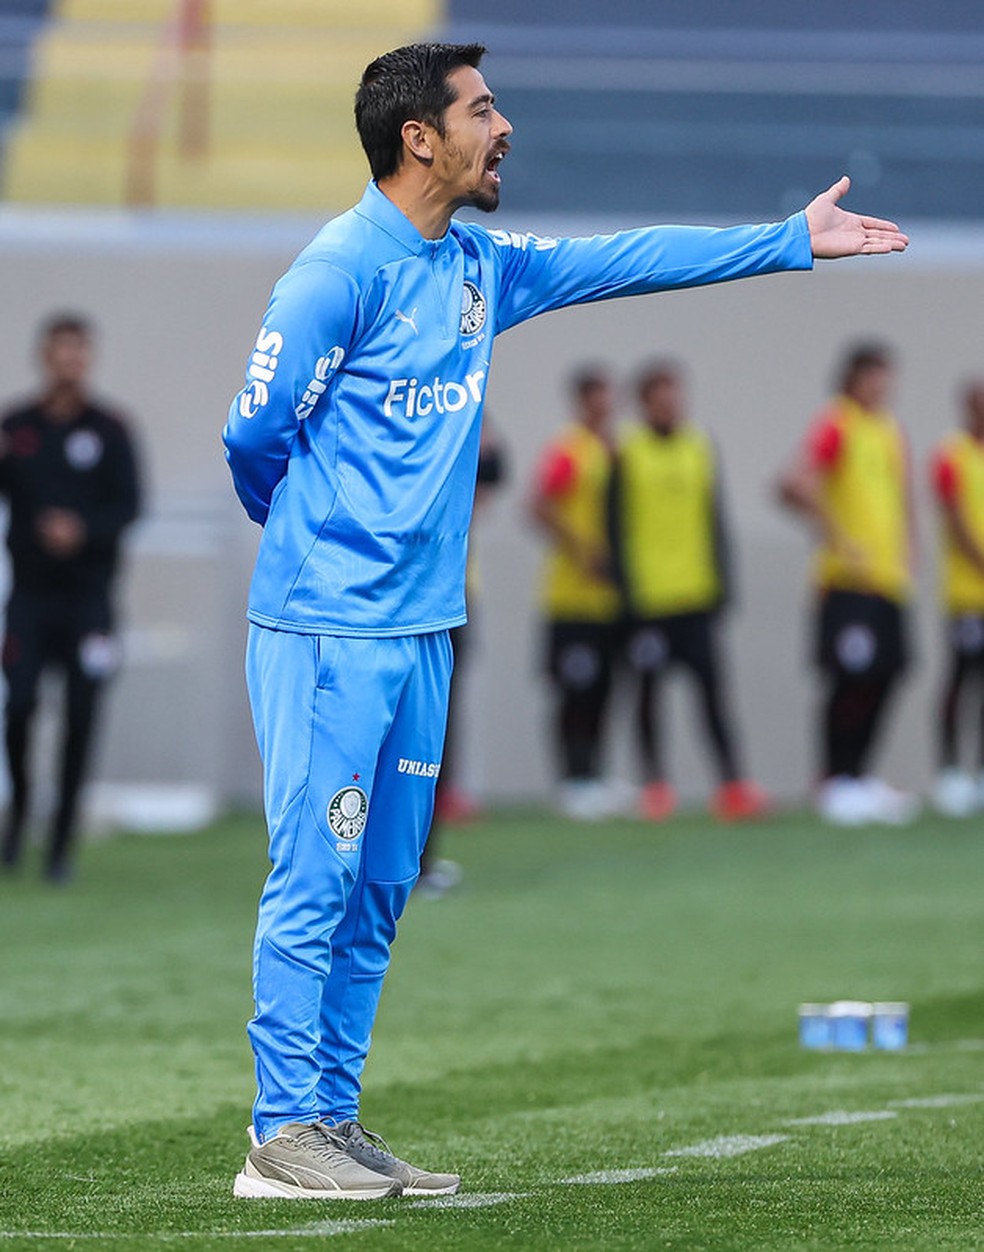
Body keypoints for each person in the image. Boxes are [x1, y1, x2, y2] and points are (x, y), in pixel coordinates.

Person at [222, 39, 907, 1200]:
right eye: (484, 109)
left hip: (425, 631)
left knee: (385, 881)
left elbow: (625, 259)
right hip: (328, 629)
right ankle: (279, 1131)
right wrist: (317, 544)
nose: (506, 128)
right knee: (317, 874)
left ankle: (329, 1119)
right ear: (419, 139)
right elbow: (255, 438)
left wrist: (788, 241)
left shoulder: (479, 266)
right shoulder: (336, 272)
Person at [0, 313, 140, 881]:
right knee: (20, 706)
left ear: (88, 358)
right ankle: (18, 821)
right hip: (30, 601)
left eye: (79, 351)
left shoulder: (110, 430)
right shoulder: (17, 428)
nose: (70, 361)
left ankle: (61, 847)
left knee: (82, 715)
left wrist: (82, 529)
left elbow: (129, 506)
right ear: (44, 356)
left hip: (89, 604)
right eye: (61, 351)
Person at [609, 360, 768, 822]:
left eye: (675, 396)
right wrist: (625, 595)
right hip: (648, 601)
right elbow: (614, 526)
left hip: (696, 595)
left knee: (714, 696)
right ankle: (656, 785)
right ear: (644, 402)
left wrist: (724, 584)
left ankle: (732, 784)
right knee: (648, 696)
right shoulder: (628, 450)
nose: (671, 405)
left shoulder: (700, 446)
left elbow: (716, 520)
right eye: (661, 397)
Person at [777, 343, 917, 826]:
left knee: (886, 677)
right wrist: (838, 536)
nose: (882, 387)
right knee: (850, 680)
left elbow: (899, 500)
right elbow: (793, 483)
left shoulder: (889, 430)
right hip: (848, 582)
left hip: (888, 580)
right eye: (873, 377)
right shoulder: (838, 422)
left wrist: (907, 551)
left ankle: (859, 777)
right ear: (853, 379)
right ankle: (834, 779)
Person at [417, 418, 508, 896]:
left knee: (435, 736)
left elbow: (494, 471)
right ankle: (382, 862)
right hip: (407, 599)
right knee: (408, 734)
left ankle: (418, 862)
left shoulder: (455, 416)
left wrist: (479, 426)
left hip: (448, 599)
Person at [530, 367, 620, 820]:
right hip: (571, 598)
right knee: (575, 690)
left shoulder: (612, 449)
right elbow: (538, 505)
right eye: (599, 396)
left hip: (608, 600)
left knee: (605, 689)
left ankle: (595, 775)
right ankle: (572, 778)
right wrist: (580, 548)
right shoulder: (569, 449)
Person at [929, 381, 984, 816]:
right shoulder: (952, 455)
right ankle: (949, 772)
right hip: (967, 596)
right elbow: (954, 519)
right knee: (961, 680)